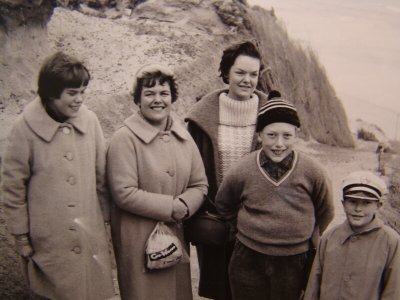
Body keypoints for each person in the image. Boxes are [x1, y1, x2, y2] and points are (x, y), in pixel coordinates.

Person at [1, 52, 115, 299]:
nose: (80, 100)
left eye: (83, 91)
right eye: (72, 93)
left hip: (88, 233)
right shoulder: (24, 128)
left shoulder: (90, 121)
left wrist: (105, 223)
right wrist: (21, 236)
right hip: (47, 239)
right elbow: (13, 188)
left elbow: (101, 177)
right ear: (51, 93)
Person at [215, 98, 335, 300]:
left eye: (287, 136)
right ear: (260, 135)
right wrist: (244, 230)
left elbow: (326, 210)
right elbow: (224, 203)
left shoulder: (313, 171)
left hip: (294, 262)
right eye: (271, 135)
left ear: (296, 135)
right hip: (248, 258)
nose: (279, 144)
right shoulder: (242, 169)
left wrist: (304, 235)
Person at [107, 64, 208, 300]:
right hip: (138, 237)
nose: (158, 100)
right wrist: (169, 207)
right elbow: (123, 192)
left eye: (164, 93)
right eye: (149, 93)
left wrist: (184, 204)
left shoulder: (183, 136)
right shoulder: (124, 138)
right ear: (138, 99)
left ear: (172, 97)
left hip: (175, 235)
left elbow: (200, 184)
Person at [185, 40, 269, 299]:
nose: (247, 80)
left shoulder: (272, 113)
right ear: (226, 73)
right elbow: (192, 171)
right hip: (215, 217)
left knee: (253, 289)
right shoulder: (201, 117)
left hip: (258, 218)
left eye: (253, 74)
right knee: (220, 290)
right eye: (240, 72)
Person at [304, 170, 400, 300]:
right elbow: (314, 284)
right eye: (352, 201)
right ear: (343, 204)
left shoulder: (391, 241)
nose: (358, 209)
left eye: (366, 203)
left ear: (379, 206)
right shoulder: (329, 237)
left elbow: (393, 291)